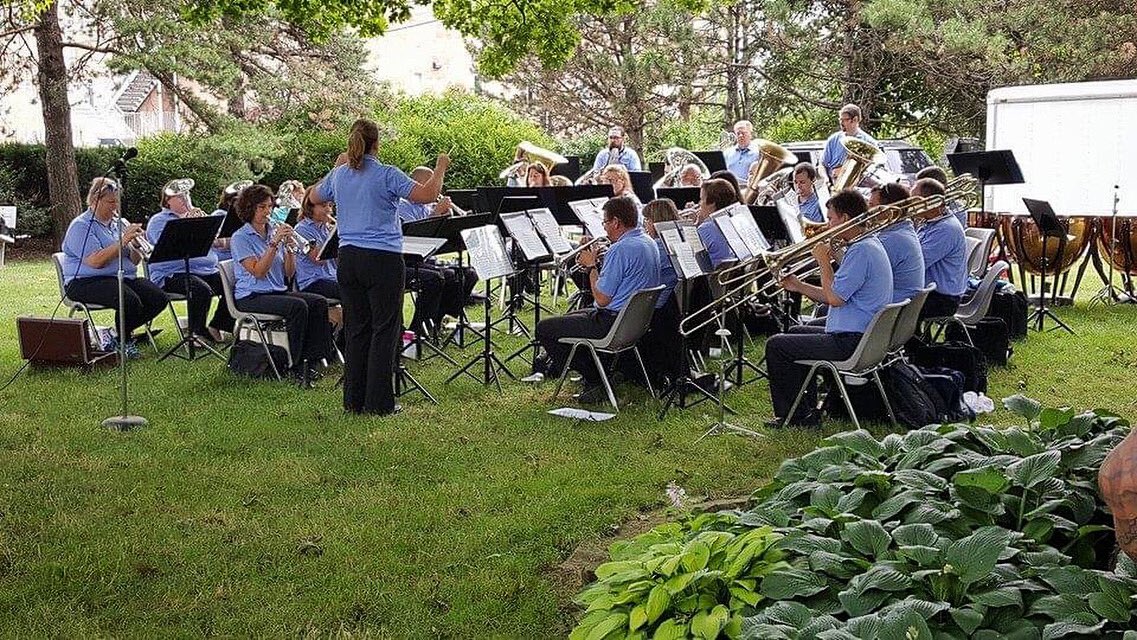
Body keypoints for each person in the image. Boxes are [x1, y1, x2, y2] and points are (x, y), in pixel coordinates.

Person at [312, 118, 449, 415]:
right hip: (382, 259)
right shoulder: (387, 174)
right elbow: (427, 194)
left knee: (357, 328)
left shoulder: (339, 175)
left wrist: (335, 167)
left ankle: (353, 400)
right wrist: (439, 168)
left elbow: (313, 195)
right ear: (377, 144)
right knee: (385, 329)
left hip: (348, 258)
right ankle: (379, 403)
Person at [766, 189, 893, 426]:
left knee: (777, 345)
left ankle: (795, 416)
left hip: (852, 341)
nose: (827, 224)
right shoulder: (866, 244)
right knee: (793, 334)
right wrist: (799, 286)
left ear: (844, 218)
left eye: (830, 218)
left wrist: (824, 260)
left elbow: (834, 298)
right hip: (860, 333)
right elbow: (834, 295)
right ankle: (805, 408)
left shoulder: (862, 250)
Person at [535, 197, 660, 403]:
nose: (604, 228)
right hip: (634, 322)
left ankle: (595, 378)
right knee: (571, 316)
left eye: (605, 223)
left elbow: (601, 299)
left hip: (612, 323)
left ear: (616, 222)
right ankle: (600, 372)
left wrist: (592, 266)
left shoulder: (620, 249)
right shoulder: (648, 241)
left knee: (545, 328)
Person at [230, 184, 332, 383]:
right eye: (262, 207)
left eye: (269, 206)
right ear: (249, 208)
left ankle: (314, 359)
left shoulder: (271, 231)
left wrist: (291, 250)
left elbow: (288, 273)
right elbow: (258, 272)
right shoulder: (240, 237)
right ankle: (294, 364)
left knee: (318, 302)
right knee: (298, 307)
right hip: (251, 295)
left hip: (275, 290)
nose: (268, 212)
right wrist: (274, 244)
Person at [61, 177, 168, 357]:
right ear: (95, 201)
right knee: (129, 300)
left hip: (122, 277)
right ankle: (123, 341)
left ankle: (118, 334)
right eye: (111, 202)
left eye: (117, 202)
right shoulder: (81, 226)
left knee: (158, 297)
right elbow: (95, 261)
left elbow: (132, 261)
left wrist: (136, 246)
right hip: (85, 282)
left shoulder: (119, 223)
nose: (115, 207)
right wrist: (123, 240)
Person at [145, 178, 234, 343]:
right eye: (179, 196)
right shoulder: (159, 220)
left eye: (187, 194)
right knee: (200, 290)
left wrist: (209, 230)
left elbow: (218, 245)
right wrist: (187, 222)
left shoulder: (197, 215)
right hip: (172, 274)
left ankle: (219, 325)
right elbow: (167, 247)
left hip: (206, 270)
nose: (185, 198)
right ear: (167, 200)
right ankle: (195, 333)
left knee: (235, 284)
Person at [394, 166, 479, 338]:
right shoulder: (403, 206)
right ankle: (420, 327)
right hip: (408, 260)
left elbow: (442, 235)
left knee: (468, 273)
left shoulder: (427, 205)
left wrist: (448, 218)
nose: (436, 190)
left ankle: (438, 318)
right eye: (432, 185)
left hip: (426, 258)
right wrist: (436, 213)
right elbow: (414, 234)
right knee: (440, 277)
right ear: (418, 185)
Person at [912, 177, 968, 319]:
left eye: (915, 201)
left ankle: (911, 340)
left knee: (890, 303)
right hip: (933, 293)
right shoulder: (930, 222)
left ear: (932, 203)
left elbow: (916, 265)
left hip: (942, 299)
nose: (910, 205)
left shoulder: (946, 229)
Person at [870, 182, 925, 304]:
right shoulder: (902, 229)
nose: (868, 211)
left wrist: (828, 256)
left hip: (887, 307)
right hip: (894, 301)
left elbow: (861, 274)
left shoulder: (893, 238)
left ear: (890, 209)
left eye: (872, 205)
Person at [819, 104, 879, 185]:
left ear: (855, 119)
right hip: (834, 185)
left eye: (845, 120)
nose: (841, 123)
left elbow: (872, 170)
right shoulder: (833, 139)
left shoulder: (869, 142)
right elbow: (822, 164)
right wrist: (826, 179)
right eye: (840, 120)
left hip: (857, 189)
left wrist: (844, 171)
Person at [695, 179, 742, 269]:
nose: (699, 204)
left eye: (701, 199)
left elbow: (691, 259)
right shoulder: (733, 221)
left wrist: (694, 228)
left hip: (712, 278)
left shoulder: (706, 228)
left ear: (712, 203)